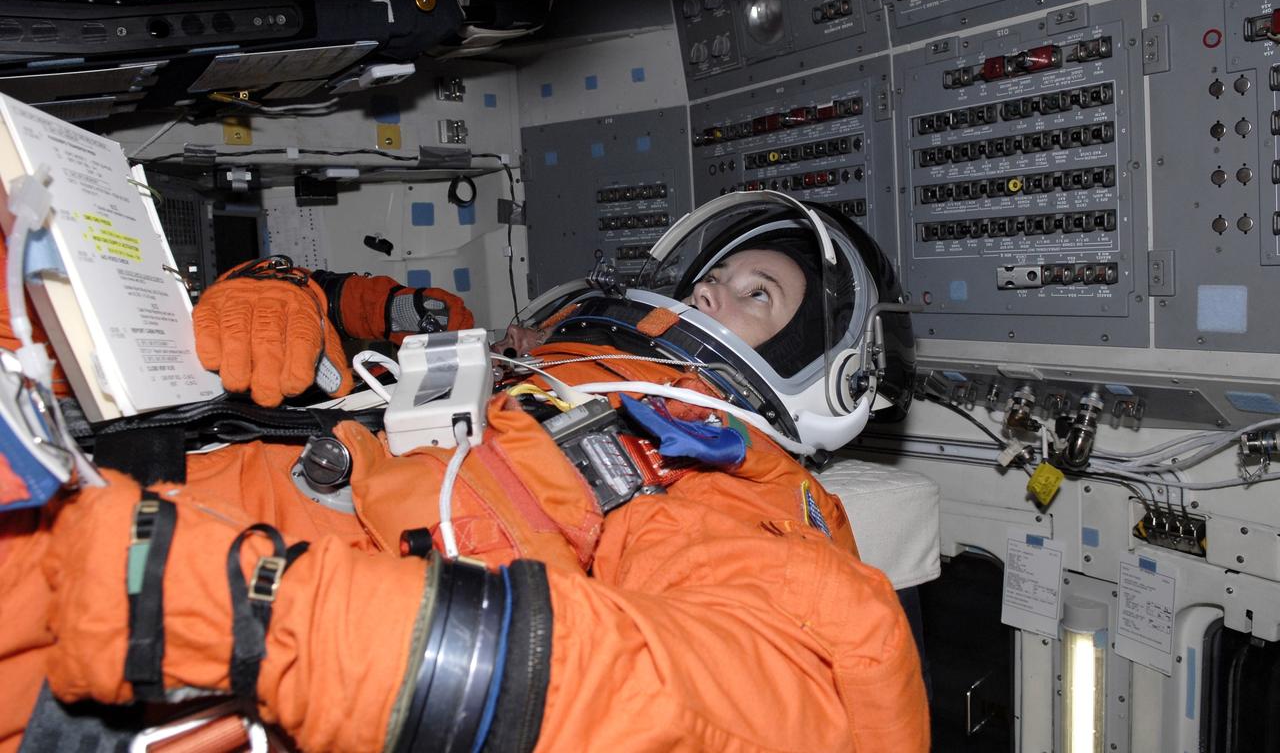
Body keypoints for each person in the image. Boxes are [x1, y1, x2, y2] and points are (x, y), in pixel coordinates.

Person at [1, 191, 928, 752]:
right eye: (712, 281)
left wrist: (267, 621)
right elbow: (371, 359)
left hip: (146, 617)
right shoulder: (550, 374)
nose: (711, 293)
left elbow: (721, 707)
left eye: (758, 294)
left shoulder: (712, 472)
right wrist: (275, 292)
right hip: (126, 488)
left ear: (819, 372)